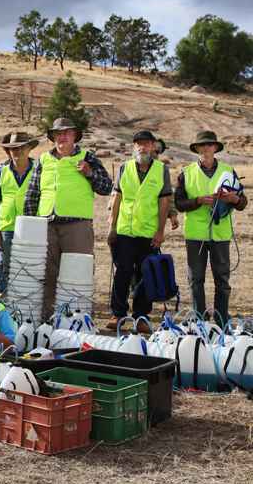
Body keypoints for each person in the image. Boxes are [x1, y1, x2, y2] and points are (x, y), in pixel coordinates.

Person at [23, 118, 112, 319]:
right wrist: (29, 225)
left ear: (75, 136)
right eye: (58, 133)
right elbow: (32, 194)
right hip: (46, 226)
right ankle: (45, 320)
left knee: (77, 273)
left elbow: (106, 187)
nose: (62, 137)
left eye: (67, 133)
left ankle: (77, 320)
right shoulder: (43, 160)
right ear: (53, 137)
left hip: (77, 226)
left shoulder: (88, 157)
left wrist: (90, 173)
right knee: (46, 275)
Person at [175, 130, 247, 328]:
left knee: (222, 280)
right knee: (195, 280)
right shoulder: (186, 173)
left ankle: (222, 320)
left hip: (220, 235)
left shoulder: (228, 171)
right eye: (202, 145)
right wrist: (198, 201)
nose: (206, 148)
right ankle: (200, 320)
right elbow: (179, 203)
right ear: (197, 149)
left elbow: (243, 203)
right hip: (196, 235)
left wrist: (234, 198)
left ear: (215, 148)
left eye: (210, 145)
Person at [106, 131, 171, 332]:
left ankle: (141, 317)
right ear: (134, 147)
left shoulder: (161, 170)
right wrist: (112, 228)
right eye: (139, 144)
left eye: (146, 144)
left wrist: (160, 231)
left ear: (153, 147)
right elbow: (116, 198)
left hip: (148, 234)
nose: (142, 147)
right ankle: (118, 314)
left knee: (145, 275)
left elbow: (164, 202)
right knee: (122, 273)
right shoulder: (125, 168)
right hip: (125, 231)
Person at [0, 132, 38, 294]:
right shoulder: (1, 172)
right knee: (4, 266)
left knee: (29, 266)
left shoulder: (39, 170)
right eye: (12, 148)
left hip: (32, 227)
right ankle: (4, 301)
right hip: (8, 228)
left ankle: (25, 299)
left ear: (29, 149)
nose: (17, 151)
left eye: (21, 147)